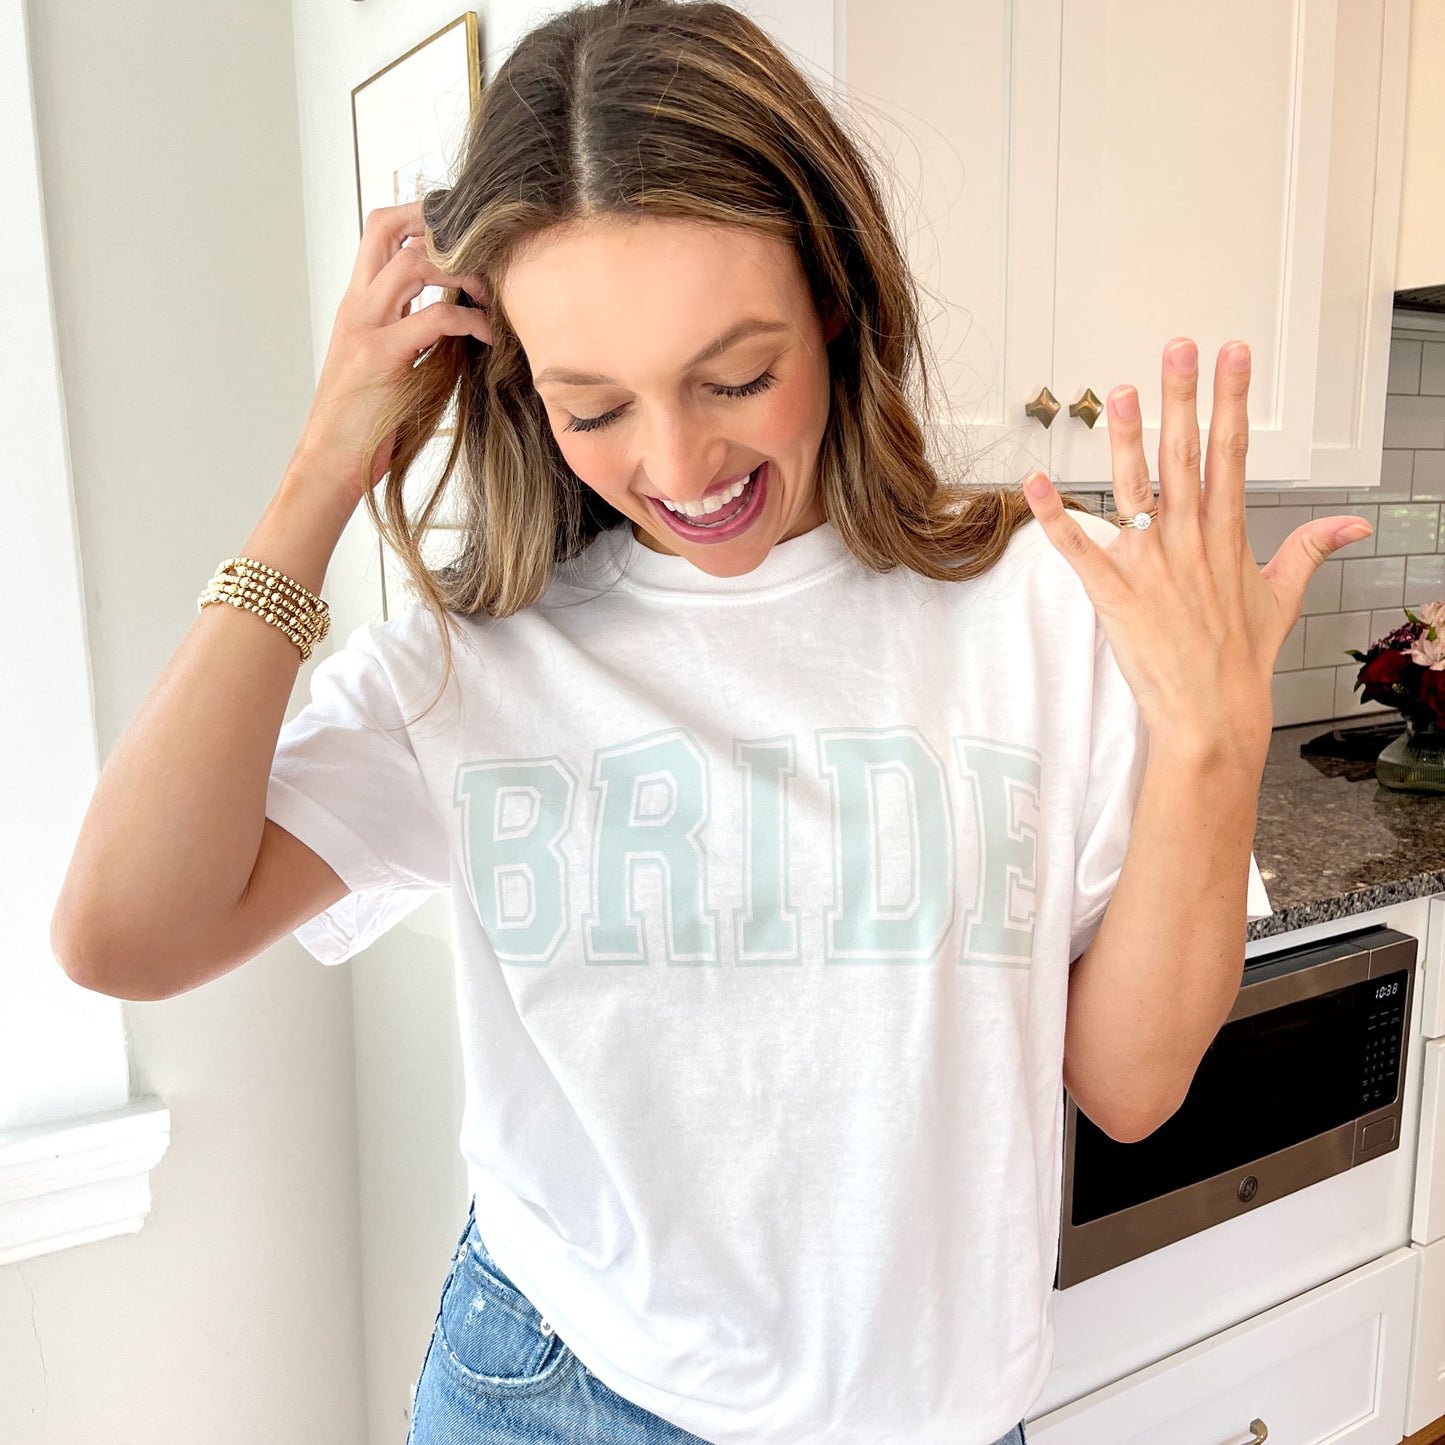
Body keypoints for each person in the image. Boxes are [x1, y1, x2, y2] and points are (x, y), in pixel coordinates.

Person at [59, 0, 1378, 1439]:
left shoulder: (1037, 603)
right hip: (557, 1391)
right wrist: (322, 467)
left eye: (734, 375)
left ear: (831, 293)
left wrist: (1209, 740)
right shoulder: (475, 659)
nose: (678, 463)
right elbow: (125, 929)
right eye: (590, 405)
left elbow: (1127, 1088)